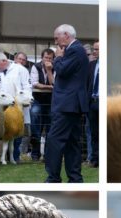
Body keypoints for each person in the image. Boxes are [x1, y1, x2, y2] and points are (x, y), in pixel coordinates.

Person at [45, 24, 89, 183]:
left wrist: (57, 58)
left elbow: (62, 70)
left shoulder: (74, 50)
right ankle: (75, 179)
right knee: (72, 143)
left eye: (57, 38)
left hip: (67, 105)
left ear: (66, 35)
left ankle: (53, 178)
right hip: (72, 104)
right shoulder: (77, 50)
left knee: (54, 140)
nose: (56, 42)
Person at [30, 48, 55, 161]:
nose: (48, 60)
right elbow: (35, 84)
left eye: (50, 58)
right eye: (46, 57)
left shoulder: (55, 67)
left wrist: (49, 72)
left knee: (50, 128)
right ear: (42, 57)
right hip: (38, 99)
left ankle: (47, 155)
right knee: (35, 122)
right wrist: (49, 87)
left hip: (51, 101)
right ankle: (35, 154)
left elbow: (55, 83)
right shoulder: (36, 66)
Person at [12, 51, 31, 161]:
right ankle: (3, 155)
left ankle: (16, 155)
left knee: (19, 130)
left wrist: (26, 99)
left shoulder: (25, 71)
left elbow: (27, 86)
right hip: (9, 103)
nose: (21, 61)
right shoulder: (8, 69)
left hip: (20, 104)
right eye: (19, 59)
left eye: (24, 60)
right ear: (15, 59)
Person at [86, 40, 99, 167]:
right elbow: (86, 84)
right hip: (93, 102)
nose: (94, 52)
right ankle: (95, 160)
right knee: (93, 133)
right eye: (94, 49)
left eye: (96, 49)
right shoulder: (91, 65)